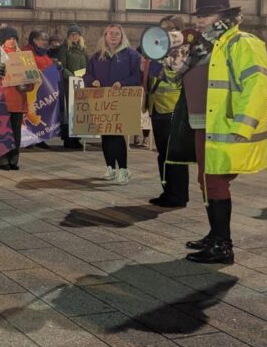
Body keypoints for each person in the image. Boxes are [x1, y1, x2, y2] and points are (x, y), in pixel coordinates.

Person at [166, 0, 267, 264]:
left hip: (225, 125)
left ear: (224, 17)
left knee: (215, 181)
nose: (200, 21)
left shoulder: (241, 42)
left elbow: (256, 85)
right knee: (205, 181)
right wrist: (171, 62)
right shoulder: (202, 46)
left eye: (206, 16)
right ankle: (215, 235)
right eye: (199, 15)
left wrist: (245, 125)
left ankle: (223, 245)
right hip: (201, 123)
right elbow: (176, 78)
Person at [83, 24, 141, 185]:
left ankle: (123, 169)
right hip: (103, 102)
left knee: (117, 135)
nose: (114, 36)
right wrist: (91, 81)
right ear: (105, 36)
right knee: (106, 134)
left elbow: (137, 76)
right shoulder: (97, 56)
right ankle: (110, 167)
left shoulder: (131, 55)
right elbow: (87, 74)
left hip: (121, 101)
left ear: (122, 37)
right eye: (111, 34)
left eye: (117, 34)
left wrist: (122, 83)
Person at [146, 15, 190, 208]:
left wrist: (161, 69)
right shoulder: (160, 51)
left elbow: (176, 79)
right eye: (162, 28)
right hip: (158, 106)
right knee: (163, 154)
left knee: (175, 155)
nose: (165, 32)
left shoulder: (181, 51)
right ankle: (168, 191)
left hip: (172, 108)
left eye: (169, 28)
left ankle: (178, 196)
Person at [0, 27, 30, 170]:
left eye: (14, 38)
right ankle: (3, 160)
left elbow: (30, 76)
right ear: (3, 40)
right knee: (3, 130)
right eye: (9, 38)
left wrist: (27, 85)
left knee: (15, 131)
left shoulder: (22, 56)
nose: (12, 41)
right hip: (2, 98)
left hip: (17, 99)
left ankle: (14, 159)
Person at [50, 23, 88, 149]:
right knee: (69, 111)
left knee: (79, 111)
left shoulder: (83, 50)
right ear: (68, 36)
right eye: (72, 35)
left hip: (81, 83)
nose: (74, 37)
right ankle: (68, 138)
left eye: (76, 34)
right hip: (68, 84)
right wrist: (71, 77)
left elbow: (87, 64)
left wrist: (86, 76)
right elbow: (62, 67)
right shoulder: (64, 49)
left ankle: (77, 138)